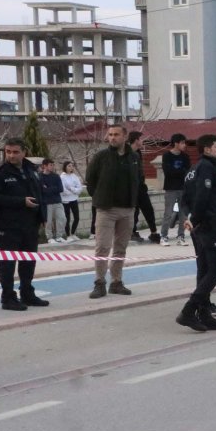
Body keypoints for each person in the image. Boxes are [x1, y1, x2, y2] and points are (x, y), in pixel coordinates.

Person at [176, 135, 216, 331]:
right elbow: (202, 196)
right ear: (207, 149)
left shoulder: (192, 169)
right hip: (209, 225)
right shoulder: (206, 167)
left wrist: (190, 218)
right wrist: (196, 219)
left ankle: (204, 313)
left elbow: (184, 199)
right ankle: (189, 310)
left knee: (204, 270)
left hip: (198, 226)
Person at [0, 138, 49, 311]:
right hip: (9, 225)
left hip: (30, 224)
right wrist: (21, 202)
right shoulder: (0, 173)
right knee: (8, 263)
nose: (11, 155)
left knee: (28, 261)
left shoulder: (32, 170)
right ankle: (8, 297)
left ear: (24, 152)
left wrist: (42, 216)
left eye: (15, 152)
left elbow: (39, 193)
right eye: (8, 152)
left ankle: (27, 293)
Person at [87, 123, 141, 299]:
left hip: (127, 209)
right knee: (102, 247)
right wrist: (100, 198)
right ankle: (99, 283)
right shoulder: (101, 157)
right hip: (106, 209)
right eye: (110, 134)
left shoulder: (133, 157)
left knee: (120, 248)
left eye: (116, 134)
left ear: (125, 137)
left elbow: (138, 180)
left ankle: (116, 282)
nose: (112, 138)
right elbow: (91, 181)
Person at [128, 132, 160, 244]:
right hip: (131, 188)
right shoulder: (126, 153)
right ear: (136, 140)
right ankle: (132, 232)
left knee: (148, 209)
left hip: (141, 186)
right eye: (140, 139)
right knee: (134, 211)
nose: (142, 142)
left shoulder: (138, 152)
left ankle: (154, 233)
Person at [160, 133, 191, 246]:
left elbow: (188, 171)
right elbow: (168, 172)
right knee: (168, 213)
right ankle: (163, 236)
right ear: (176, 143)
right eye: (182, 143)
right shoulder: (167, 156)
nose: (184, 145)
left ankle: (181, 236)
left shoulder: (185, 156)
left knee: (183, 214)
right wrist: (180, 172)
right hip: (170, 188)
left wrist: (178, 172)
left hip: (183, 188)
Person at [38, 158, 65, 243]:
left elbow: (60, 189)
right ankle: (50, 237)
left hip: (57, 201)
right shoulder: (40, 177)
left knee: (62, 218)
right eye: (50, 165)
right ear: (44, 166)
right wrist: (52, 189)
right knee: (48, 221)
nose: (52, 167)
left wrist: (48, 188)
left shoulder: (56, 176)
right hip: (47, 202)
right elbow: (42, 190)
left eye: (53, 165)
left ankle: (59, 236)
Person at [59, 161, 84, 241]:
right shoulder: (62, 177)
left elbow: (79, 188)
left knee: (77, 217)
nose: (71, 167)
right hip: (66, 200)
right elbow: (63, 190)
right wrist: (72, 190)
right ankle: (68, 235)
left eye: (72, 166)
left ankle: (73, 233)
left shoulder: (74, 176)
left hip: (74, 199)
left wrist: (72, 189)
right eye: (69, 166)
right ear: (65, 167)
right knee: (67, 218)